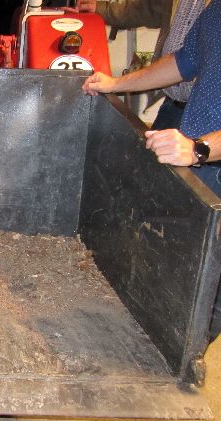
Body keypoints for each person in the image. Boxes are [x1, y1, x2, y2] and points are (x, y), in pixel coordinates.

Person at [83, 0, 221, 337]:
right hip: (196, 162)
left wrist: (200, 148)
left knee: (209, 294)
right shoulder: (214, 11)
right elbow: (184, 61)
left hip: (205, 157)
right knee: (176, 272)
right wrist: (117, 84)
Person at [67, 0, 206, 130]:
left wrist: (115, 84)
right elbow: (181, 62)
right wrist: (115, 84)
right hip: (175, 103)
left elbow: (183, 63)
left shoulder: (214, 12)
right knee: (150, 148)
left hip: (205, 112)